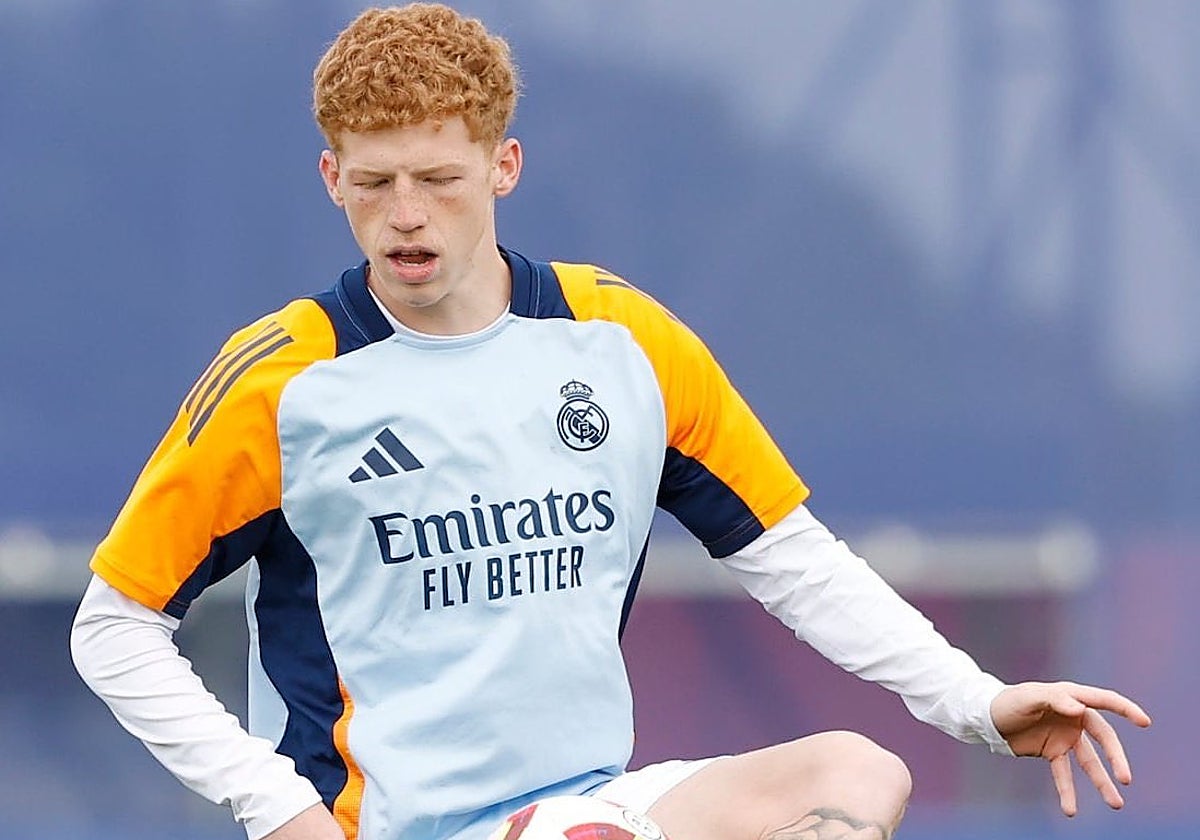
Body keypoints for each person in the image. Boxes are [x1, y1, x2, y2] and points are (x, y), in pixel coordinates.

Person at [70, 5, 1151, 840]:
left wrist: (979, 701)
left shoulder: (621, 337)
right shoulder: (284, 381)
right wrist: (279, 809)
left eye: (440, 178)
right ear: (330, 179)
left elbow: (789, 556)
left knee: (857, 775)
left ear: (504, 167)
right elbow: (113, 626)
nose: (406, 213)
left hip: (585, 811)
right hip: (382, 827)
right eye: (375, 182)